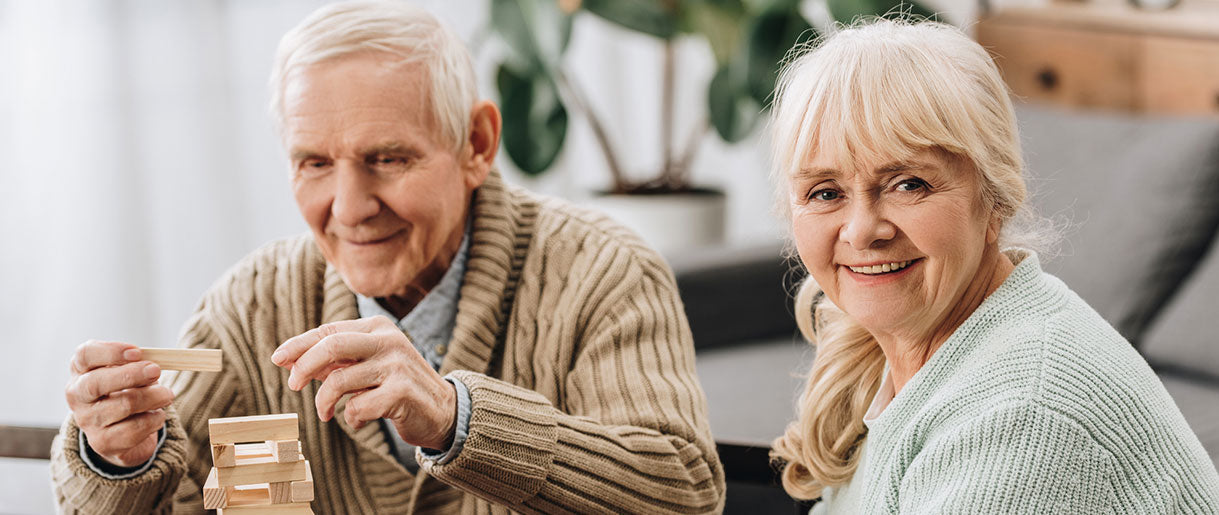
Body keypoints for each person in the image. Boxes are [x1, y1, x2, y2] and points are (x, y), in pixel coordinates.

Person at [51, 2, 725, 513]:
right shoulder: (254, 307)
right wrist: (115, 460)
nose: (348, 207)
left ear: (476, 144)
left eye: (387, 159)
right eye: (314, 163)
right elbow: (178, 501)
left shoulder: (601, 272)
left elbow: (686, 492)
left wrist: (453, 417)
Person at [767, 19, 1219, 513]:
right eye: (825, 193)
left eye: (908, 184)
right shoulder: (916, 347)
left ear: (994, 198)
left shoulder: (1025, 417)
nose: (861, 230)